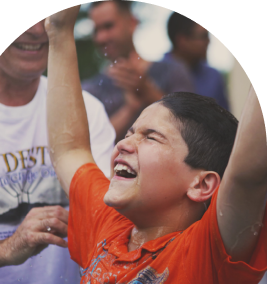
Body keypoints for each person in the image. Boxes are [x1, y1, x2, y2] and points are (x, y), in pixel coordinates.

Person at [46, 6, 267, 283]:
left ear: (202, 185)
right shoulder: (109, 225)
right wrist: (59, 30)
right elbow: (70, 149)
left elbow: (248, 176)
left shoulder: (206, 253)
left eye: (151, 137)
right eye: (129, 133)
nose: (124, 144)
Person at [0, 18, 115, 283]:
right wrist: (5, 249)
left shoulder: (88, 111)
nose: (37, 30)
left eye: (47, 19)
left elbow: (108, 220)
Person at [82, 0, 195, 142]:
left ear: (132, 23)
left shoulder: (173, 71)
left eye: (108, 26)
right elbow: (88, 144)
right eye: (96, 30)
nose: (101, 38)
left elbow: (192, 127)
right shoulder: (89, 89)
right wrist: (130, 108)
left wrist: (147, 90)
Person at [162, 11, 229, 110]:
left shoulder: (213, 76)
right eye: (203, 36)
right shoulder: (154, 74)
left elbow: (227, 120)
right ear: (182, 40)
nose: (209, 41)